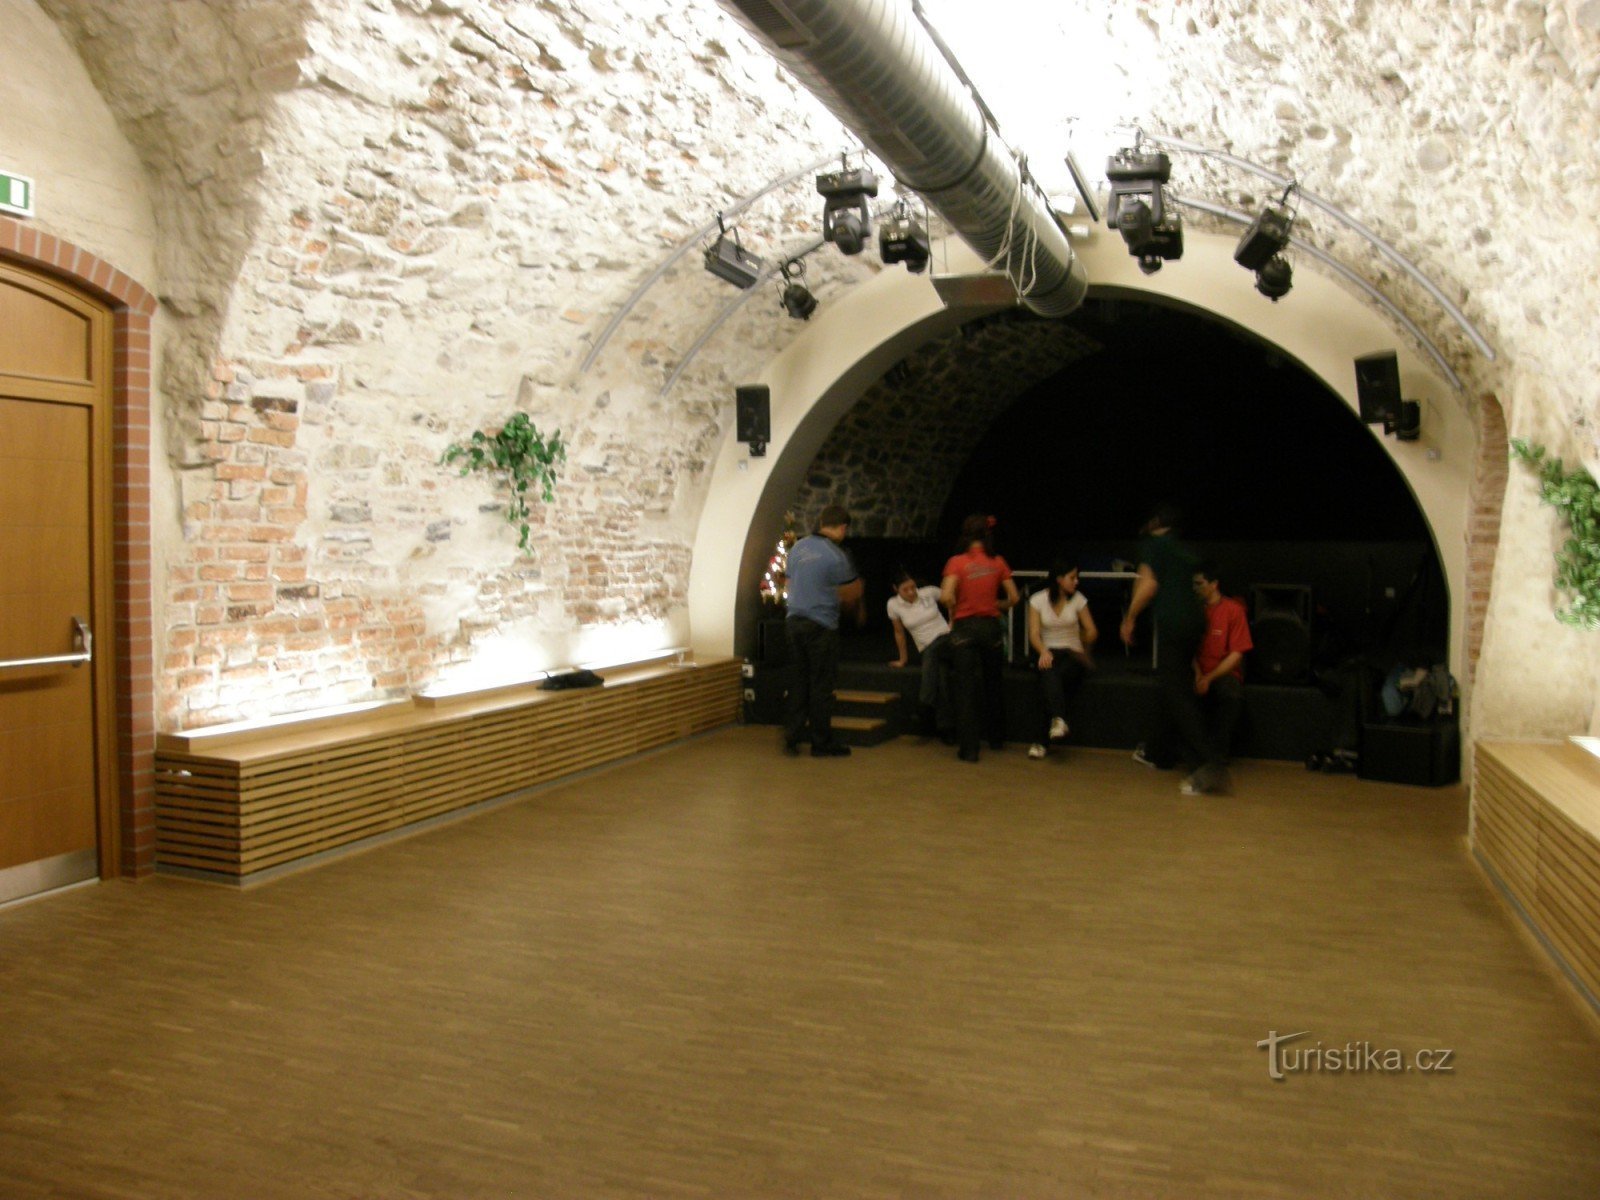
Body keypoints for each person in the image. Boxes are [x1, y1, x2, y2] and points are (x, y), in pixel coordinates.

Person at [1120, 504, 1228, 795]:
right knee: (1171, 688)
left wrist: (1130, 617)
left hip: (1175, 626)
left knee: (1178, 695)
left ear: (1155, 522)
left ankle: (1208, 763)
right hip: (1195, 622)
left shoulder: (1154, 545)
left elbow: (1148, 585)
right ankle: (1159, 753)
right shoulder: (1181, 548)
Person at [782, 504, 863, 758]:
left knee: (798, 681)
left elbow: (787, 583)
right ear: (842, 528)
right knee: (821, 685)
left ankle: (792, 738)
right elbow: (851, 594)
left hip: (794, 622)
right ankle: (821, 742)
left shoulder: (797, 548)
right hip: (821, 626)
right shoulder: (836, 555)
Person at [941, 514, 1020, 763]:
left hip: (965, 628)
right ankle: (997, 738)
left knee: (965, 689)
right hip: (990, 627)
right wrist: (998, 604)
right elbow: (1015, 598)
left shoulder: (956, 562)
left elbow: (946, 595)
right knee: (993, 683)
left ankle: (970, 749)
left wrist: (955, 608)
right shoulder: (997, 562)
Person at [1025, 558, 1098, 760]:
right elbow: (1034, 633)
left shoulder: (1079, 600)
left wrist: (1079, 638)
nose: (1076, 582)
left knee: (1051, 678)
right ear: (1059, 579)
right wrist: (1043, 651)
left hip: (1073, 654)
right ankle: (1058, 719)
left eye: (1077, 578)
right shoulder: (1038, 599)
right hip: (1050, 652)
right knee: (1049, 670)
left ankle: (1042, 740)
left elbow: (1092, 631)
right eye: (1072, 577)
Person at [1192, 561, 1253, 763]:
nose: (1196, 588)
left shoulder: (1233, 610)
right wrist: (1198, 674)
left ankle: (1216, 756)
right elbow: (1187, 648)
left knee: (1231, 695)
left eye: (1200, 583)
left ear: (1214, 584)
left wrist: (1209, 678)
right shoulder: (1193, 611)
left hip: (1222, 673)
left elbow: (1236, 654)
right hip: (1196, 671)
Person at [886, 570, 953, 737]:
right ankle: (946, 728)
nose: (911, 592)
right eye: (905, 589)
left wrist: (953, 622)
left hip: (946, 639)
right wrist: (903, 658)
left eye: (913, 587)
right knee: (942, 678)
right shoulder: (893, 604)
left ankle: (924, 702)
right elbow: (899, 633)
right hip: (929, 649)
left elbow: (951, 599)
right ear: (896, 589)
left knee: (934, 650)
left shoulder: (929, 592)